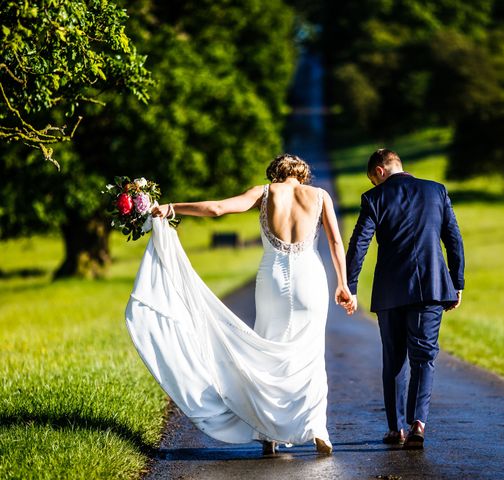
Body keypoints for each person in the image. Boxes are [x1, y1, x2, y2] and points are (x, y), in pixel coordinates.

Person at [126, 154, 355, 457]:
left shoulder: (264, 192)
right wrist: (343, 284)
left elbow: (218, 208)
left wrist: (172, 208)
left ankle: (268, 434)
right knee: (310, 353)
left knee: (268, 353)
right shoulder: (320, 196)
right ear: (302, 175)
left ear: (275, 174)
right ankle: (318, 431)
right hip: (309, 279)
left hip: (272, 278)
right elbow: (336, 243)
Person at [345, 148, 465, 450]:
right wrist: (456, 282)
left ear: (379, 172)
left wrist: (350, 285)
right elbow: (453, 239)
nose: (375, 185)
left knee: (394, 358)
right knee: (424, 356)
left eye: (374, 179)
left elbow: (359, 244)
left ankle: (396, 428)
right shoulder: (436, 191)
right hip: (431, 287)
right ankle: (418, 424)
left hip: (390, 290)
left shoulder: (374, 198)